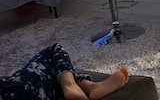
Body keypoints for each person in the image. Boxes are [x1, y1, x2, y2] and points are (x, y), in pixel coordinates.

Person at [0, 43, 128, 100]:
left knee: (51, 80)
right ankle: (72, 84)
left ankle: (88, 86)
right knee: (53, 51)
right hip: (17, 90)